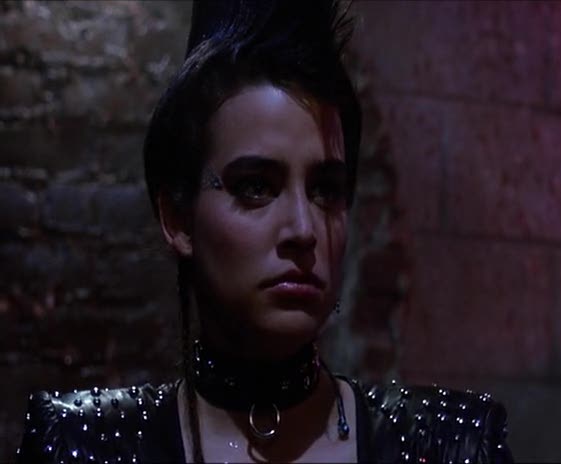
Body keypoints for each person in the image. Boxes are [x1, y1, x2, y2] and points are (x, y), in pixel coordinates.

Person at [17, 1, 513, 462]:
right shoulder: (81, 445)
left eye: (326, 189)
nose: (303, 229)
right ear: (177, 218)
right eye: (255, 187)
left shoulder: (451, 446)